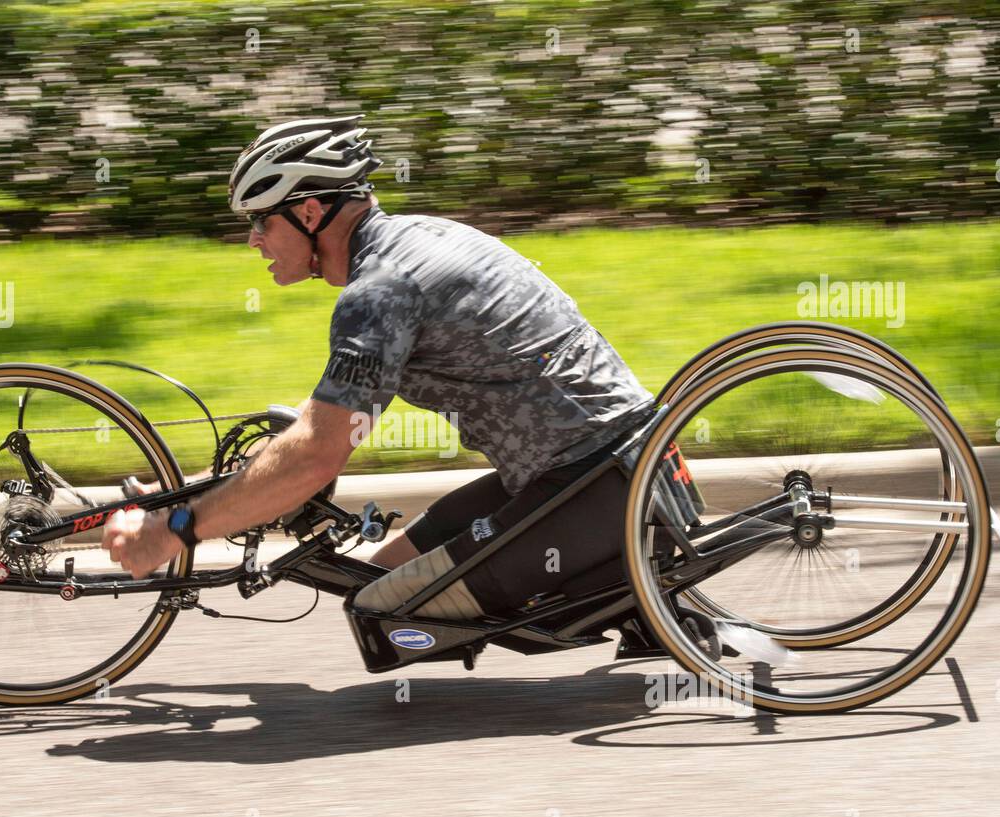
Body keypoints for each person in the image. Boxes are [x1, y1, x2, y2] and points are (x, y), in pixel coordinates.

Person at [102, 114, 655, 624]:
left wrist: (176, 531)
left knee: (385, 613)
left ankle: (634, 595)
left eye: (260, 222)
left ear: (310, 213)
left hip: (594, 488)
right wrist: (188, 493)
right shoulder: (419, 239)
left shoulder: (382, 291)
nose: (253, 240)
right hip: (614, 468)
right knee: (377, 573)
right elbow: (330, 414)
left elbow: (317, 455)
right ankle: (637, 597)